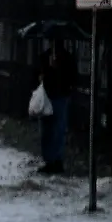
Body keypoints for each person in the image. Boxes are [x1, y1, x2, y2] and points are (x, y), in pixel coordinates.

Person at [36, 44, 74, 174]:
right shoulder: (45, 57)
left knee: (58, 131)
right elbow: (38, 74)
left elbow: (73, 77)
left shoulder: (67, 58)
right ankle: (49, 161)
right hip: (48, 97)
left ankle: (56, 161)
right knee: (47, 131)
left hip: (60, 97)